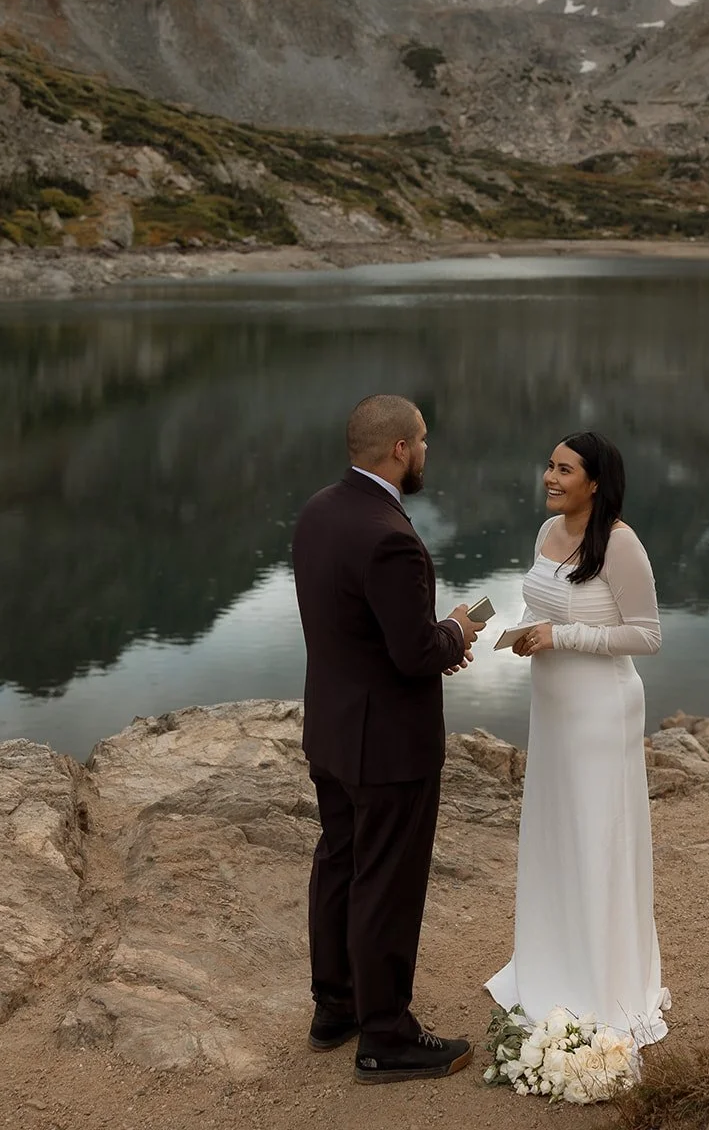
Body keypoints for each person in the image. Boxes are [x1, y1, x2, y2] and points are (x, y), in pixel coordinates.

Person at [292, 394, 486, 1084]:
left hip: (333, 732)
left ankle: (335, 1008)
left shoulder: (319, 511)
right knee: (385, 885)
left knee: (340, 866)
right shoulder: (389, 534)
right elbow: (411, 652)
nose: (426, 451)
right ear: (399, 449)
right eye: (423, 441)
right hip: (389, 749)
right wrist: (456, 631)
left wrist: (431, 644)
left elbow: (360, 630)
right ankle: (386, 1037)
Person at [486, 431, 671, 1046]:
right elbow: (547, 610)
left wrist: (561, 638)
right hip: (554, 710)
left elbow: (646, 636)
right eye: (548, 465)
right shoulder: (546, 535)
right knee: (557, 832)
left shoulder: (621, 545)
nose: (550, 477)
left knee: (597, 837)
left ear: (595, 482)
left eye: (564, 470)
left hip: (601, 711)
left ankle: (604, 981)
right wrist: (515, 632)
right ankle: (554, 963)